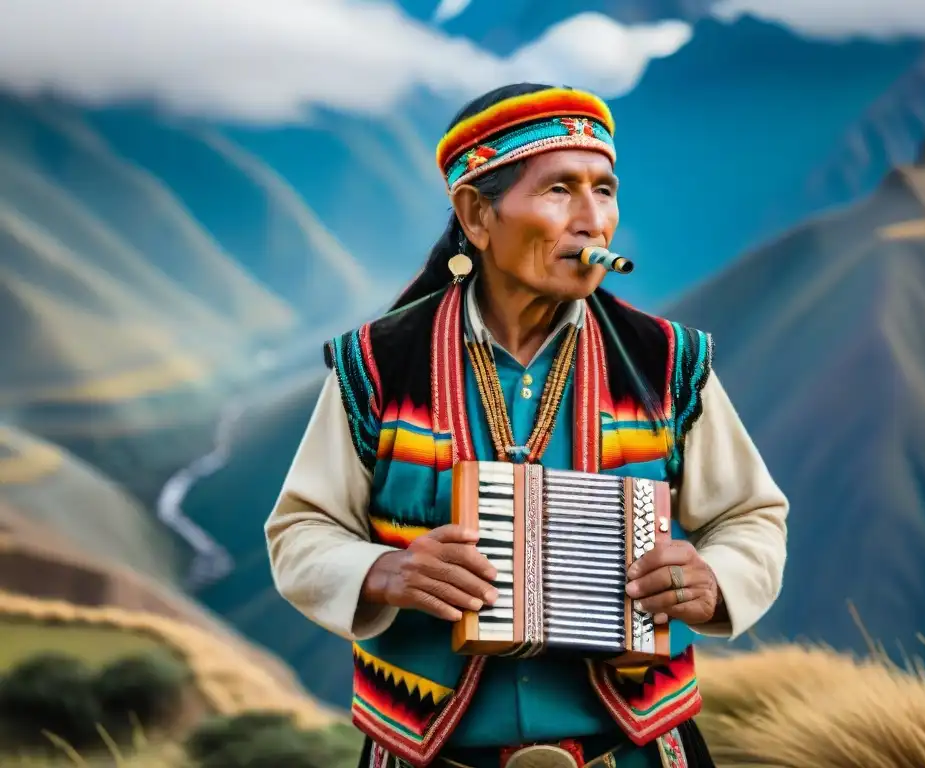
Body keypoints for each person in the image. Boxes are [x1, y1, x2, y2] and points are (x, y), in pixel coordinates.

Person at [266, 83, 789, 768]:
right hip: (429, 754)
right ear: (476, 215)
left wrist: (713, 577)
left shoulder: (668, 363)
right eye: (559, 191)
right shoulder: (378, 365)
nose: (592, 220)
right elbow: (300, 531)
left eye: (604, 190)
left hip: (634, 752)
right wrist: (383, 571)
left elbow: (752, 516)